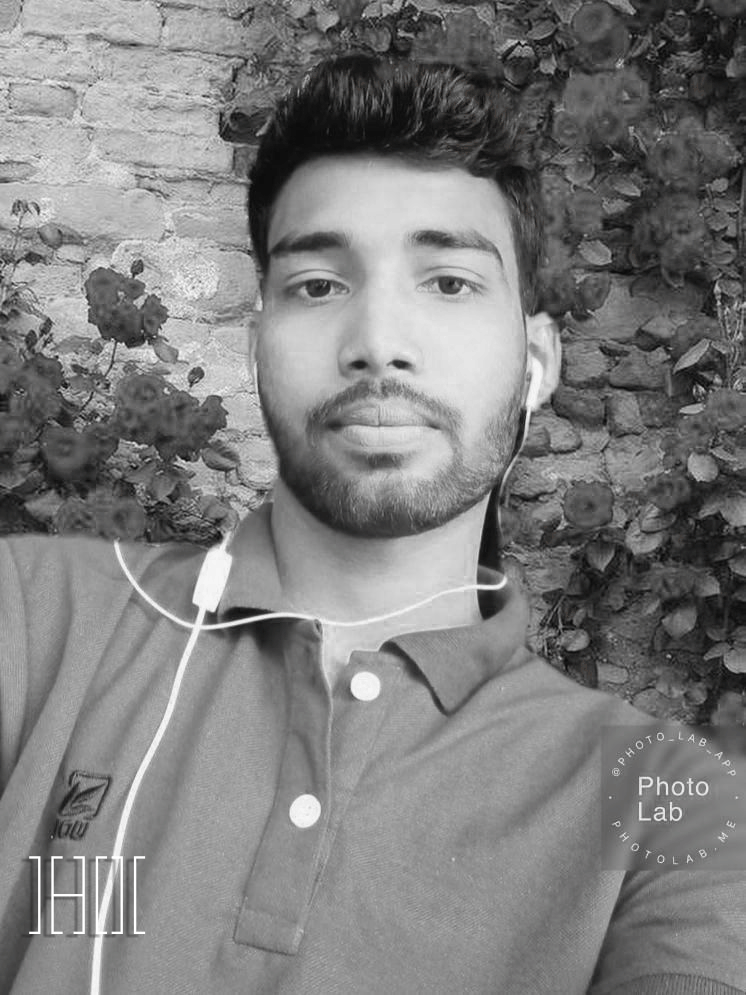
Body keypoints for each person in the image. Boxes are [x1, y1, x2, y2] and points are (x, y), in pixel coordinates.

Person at [0, 55, 744, 995]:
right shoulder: (36, 615)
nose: (379, 343)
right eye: (318, 284)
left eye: (450, 282)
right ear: (256, 343)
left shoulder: (667, 798)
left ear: (537, 361)